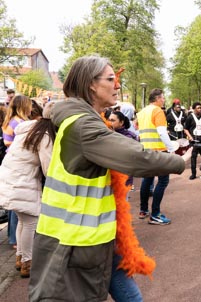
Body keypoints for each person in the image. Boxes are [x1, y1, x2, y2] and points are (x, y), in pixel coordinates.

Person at [29, 55, 190, 302]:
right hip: (77, 242)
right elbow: (137, 158)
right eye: (111, 79)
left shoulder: (83, 120)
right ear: (91, 84)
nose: (117, 85)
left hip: (96, 236)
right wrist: (179, 161)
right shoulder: (84, 126)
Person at [0, 101, 56, 278]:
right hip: (22, 180)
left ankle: (20, 258)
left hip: (11, 176)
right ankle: (27, 262)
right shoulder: (45, 135)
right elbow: (48, 167)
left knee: (23, 220)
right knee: (31, 220)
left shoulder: (31, 129)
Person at [137, 88, 180, 225]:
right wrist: (171, 148)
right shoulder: (158, 111)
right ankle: (155, 214)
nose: (164, 100)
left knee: (147, 180)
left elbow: (139, 131)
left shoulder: (142, 112)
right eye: (162, 98)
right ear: (156, 98)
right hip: (159, 152)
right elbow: (161, 132)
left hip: (146, 151)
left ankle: (143, 210)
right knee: (162, 181)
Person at [2, 95, 32, 249]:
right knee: (18, 208)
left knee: (15, 208)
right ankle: (15, 240)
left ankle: (14, 239)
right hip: (19, 167)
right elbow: (10, 142)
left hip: (12, 165)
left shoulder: (11, 120)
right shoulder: (19, 123)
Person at [184, 102, 201, 180]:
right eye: (198, 108)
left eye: (200, 107)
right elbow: (185, 129)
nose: (200, 109)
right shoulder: (190, 117)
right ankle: (193, 173)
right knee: (193, 157)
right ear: (194, 109)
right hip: (194, 140)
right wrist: (190, 137)